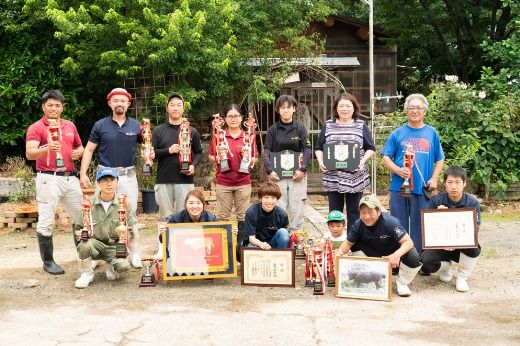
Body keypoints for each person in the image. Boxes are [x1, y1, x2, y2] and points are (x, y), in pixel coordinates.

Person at [79, 87, 146, 268]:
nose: (119, 104)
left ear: (128, 104)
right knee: (99, 215)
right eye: (116, 100)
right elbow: (90, 149)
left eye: (123, 101)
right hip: (105, 175)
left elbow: (147, 147)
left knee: (130, 215)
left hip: (128, 175)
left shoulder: (136, 126)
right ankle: (97, 255)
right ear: (110, 103)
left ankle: (135, 253)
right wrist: (83, 173)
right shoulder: (100, 125)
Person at [25, 90, 84, 275]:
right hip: (48, 178)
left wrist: (79, 152)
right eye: (50, 105)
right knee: (47, 220)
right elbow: (30, 153)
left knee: (82, 217)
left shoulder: (69, 125)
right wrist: (48, 148)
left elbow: (79, 146)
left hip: (70, 177)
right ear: (43, 106)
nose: (54, 108)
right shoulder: (36, 127)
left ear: (62, 107)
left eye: (57, 105)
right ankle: (48, 262)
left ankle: (84, 255)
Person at [382, 93, 444, 253]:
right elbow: (385, 158)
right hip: (399, 187)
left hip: (422, 187)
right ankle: (399, 258)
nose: (415, 111)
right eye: (411, 108)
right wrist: (398, 170)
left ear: (424, 111)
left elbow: (440, 159)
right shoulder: (397, 133)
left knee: (421, 224)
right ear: (406, 111)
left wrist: (434, 178)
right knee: (397, 224)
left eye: (418, 108)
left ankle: (418, 258)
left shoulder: (432, 133)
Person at [336, 195, 422, 297]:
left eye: (371, 212)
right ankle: (368, 277)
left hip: (395, 259)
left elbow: (408, 242)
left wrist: (395, 255)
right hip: (377, 257)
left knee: (413, 256)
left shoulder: (390, 222)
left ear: (379, 211)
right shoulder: (358, 225)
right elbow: (348, 243)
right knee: (355, 245)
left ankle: (402, 282)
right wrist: (339, 253)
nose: (367, 216)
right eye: (363, 212)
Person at [315, 93, 376, 232]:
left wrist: (362, 161)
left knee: (354, 211)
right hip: (333, 176)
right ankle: (336, 241)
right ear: (336, 108)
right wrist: (320, 161)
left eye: (348, 105)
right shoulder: (328, 125)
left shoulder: (361, 125)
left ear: (354, 108)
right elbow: (319, 147)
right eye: (341, 105)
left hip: (355, 176)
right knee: (334, 212)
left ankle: (353, 242)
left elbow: (370, 148)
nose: (344, 109)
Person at [152, 93, 202, 258]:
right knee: (164, 216)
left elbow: (199, 153)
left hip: (185, 180)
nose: (175, 107)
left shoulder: (191, 131)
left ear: (183, 108)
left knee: (185, 214)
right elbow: (151, 154)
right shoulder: (158, 130)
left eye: (178, 104)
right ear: (167, 108)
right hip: (164, 179)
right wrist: (168, 150)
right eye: (172, 104)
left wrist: (194, 165)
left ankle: (184, 248)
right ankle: (162, 247)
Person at [420, 166, 481, 292]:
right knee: (426, 262)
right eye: (450, 182)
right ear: (445, 184)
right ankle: (446, 267)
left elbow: (474, 229)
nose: (454, 187)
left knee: (474, 247)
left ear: (464, 184)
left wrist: (456, 243)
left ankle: (462, 276)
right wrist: (437, 216)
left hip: (462, 247)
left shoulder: (473, 203)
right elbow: (430, 229)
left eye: (458, 182)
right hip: (441, 246)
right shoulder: (435, 201)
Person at [74, 167, 134, 288]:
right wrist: (80, 233)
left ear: (117, 182)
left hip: (114, 246)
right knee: (84, 245)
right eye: (104, 180)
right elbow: (78, 227)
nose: (109, 183)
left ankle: (110, 264)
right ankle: (86, 273)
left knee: (124, 266)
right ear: (98, 183)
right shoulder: (88, 203)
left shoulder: (125, 203)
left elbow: (131, 231)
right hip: (94, 244)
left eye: (112, 179)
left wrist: (124, 236)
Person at [209, 104, 258, 251]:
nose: (233, 119)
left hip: (243, 182)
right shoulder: (219, 135)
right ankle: (223, 251)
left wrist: (251, 158)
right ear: (224, 119)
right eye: (230, 116)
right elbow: (211, 156)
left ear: (241, 118)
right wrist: (219, 155)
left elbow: (255, 157)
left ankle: (239, 250)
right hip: (223, 182)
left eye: (236, 116)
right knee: (223, 216)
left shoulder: (248, 135)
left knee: (243, 216)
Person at [263, 95, 311, 233]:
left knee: (298, 207)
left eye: (288, 107)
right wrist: (269, 170)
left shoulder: (300, 128)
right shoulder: (273, 129)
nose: (285, 110)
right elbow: (267, 150)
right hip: (277, 176)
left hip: (298, 175)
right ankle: (279, 235)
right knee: (277, 205)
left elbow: (307, 148)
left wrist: (303, 169)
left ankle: (297, 237)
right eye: (282, 107)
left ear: (294, 109)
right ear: (278, 110)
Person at [243, 182, 290, 250]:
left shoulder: (282, 214)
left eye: (273, 198)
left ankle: (281, 257)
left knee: (283, 232)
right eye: (266, 197)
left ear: (277, 199)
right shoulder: (251, 212)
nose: (269, 201)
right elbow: (251, 238)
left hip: (273, 244)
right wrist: (261, 244)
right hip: (256, 244)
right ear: (260, 198)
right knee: (250, 247)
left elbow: (285, 237)